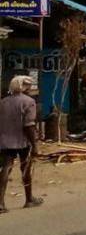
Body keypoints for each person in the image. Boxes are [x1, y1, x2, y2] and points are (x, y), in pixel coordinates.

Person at [0, 76, 43, 212]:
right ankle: (29, 199)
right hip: (23, 140)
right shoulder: (29, 102)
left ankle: (0, 203)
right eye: (29, 86)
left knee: (6, 168)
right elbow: (29, 125)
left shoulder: (3, 102)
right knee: (26, 168)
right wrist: (35, 145)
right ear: (24, 87)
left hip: (5, 140)